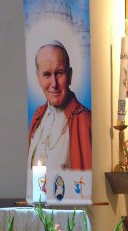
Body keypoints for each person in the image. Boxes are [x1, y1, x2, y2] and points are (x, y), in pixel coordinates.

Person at [26, 40, 91, 200]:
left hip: (69, 216)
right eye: (47, 74)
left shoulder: (84, 120)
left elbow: (86, 188)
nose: (53, 84)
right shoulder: (38, 116)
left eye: (59, 73)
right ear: (38, 78)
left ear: (70, 75)